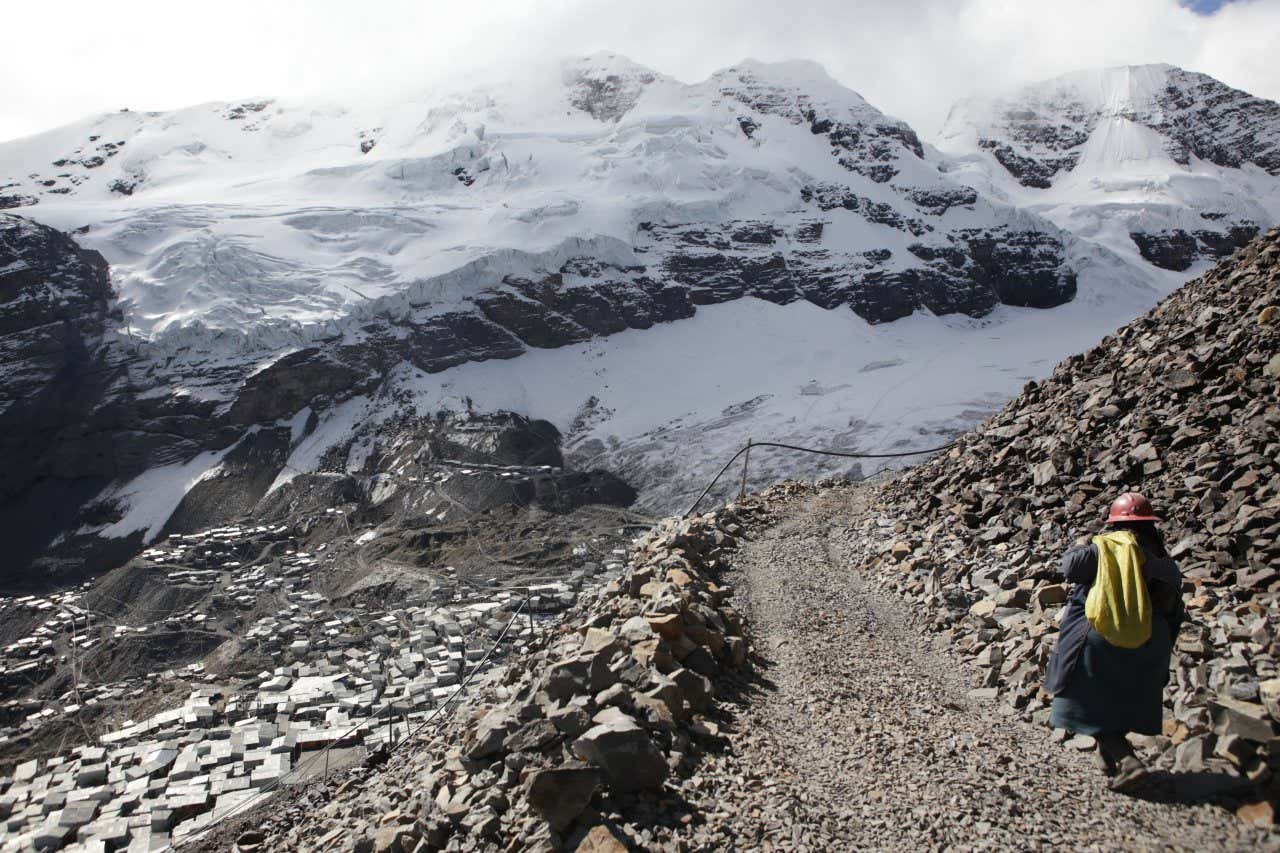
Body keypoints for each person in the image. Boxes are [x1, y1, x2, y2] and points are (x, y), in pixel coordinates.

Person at [1044, 492, 1185, 792]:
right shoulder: (1166, 563)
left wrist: (1084, 543)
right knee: (1120, 698)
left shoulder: (1105, 547)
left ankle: (1127, 760)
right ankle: (1108, 761)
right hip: (1152, 639)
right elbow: (1176, 612)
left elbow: (1070, 567)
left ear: (1114, 523)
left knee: (1082, 698)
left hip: (1102, 635)